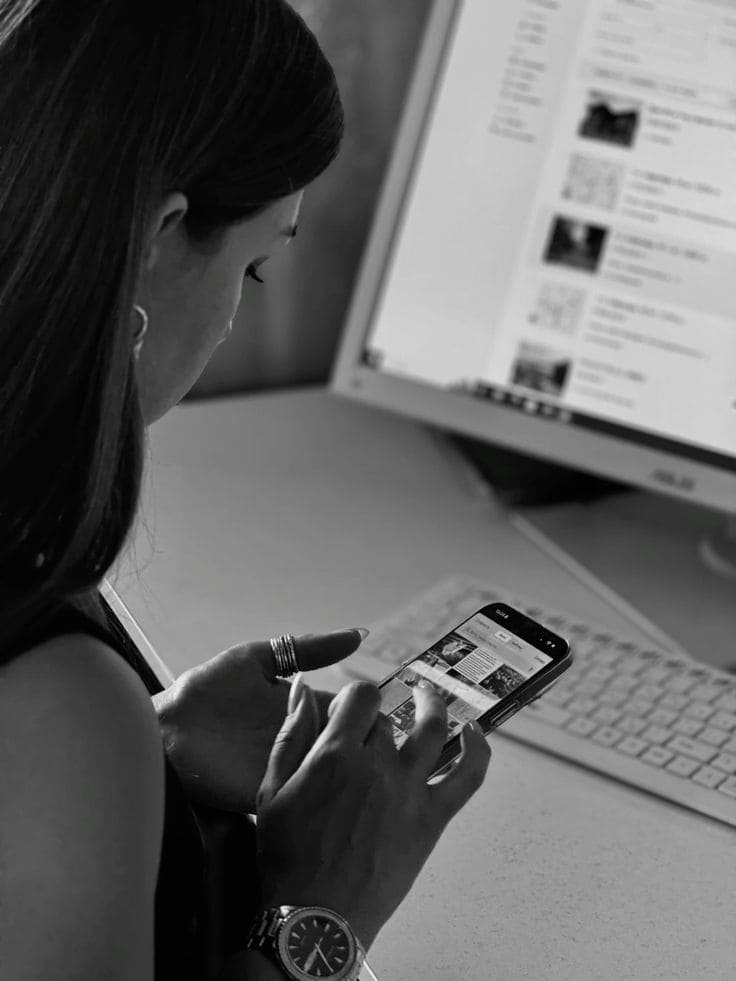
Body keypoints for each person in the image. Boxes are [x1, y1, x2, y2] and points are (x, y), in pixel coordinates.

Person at [0, 2, 492, 979]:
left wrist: (146, 750)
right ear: (159, 234)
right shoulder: (51, 681)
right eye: (258, 264)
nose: (233, 315)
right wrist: (323, 904)